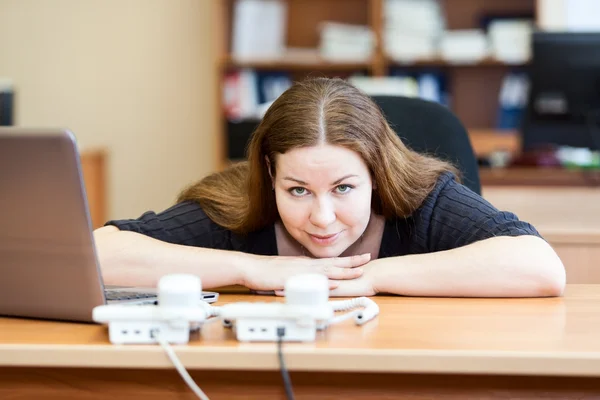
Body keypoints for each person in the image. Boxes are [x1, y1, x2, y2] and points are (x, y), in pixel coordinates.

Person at [94, 77, 565, 298]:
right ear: (270, 174)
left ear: (377, 174)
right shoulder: (237, 203)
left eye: (343, 188)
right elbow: (95, 252)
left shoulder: (421, 197)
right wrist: (251, 268)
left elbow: (541, 266)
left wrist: (372, 277)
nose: (322, 218)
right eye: (297, 190)